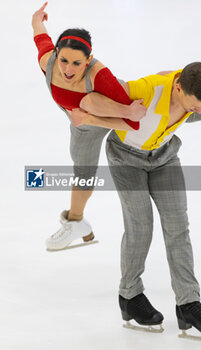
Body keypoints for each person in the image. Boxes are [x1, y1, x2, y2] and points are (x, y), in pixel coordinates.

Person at [70, 62, 201, 341]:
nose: (198, 111)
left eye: (200, 108)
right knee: (140, 227)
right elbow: (94, 101)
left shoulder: (194, 97)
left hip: (163, 157)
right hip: (125, 158)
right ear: (178, 86)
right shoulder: (145, 90)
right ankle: (130, 295)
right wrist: (87, 119)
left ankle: (188, 303)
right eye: (194, 106)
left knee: (178, 226)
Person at [32, 2, 147, 251]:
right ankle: (77, 223)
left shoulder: (100, 76)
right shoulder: (47, 61)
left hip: (123, 111)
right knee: (82, 172)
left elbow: (132, 124)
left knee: (189, 105)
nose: (67, 70)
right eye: (63, 60)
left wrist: (95, 117)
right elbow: (39, 33)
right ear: (56, 54)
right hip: (83, 125)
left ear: (89, 60)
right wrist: (38, 18)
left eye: (77, 63)